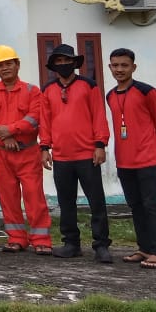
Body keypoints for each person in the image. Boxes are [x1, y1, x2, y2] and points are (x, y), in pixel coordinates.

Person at [40, 44, 113, 263]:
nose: (62, 65)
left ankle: (101, 245)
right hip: (61, 156)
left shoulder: (89, 86)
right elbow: (45, 121)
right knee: (66, 203)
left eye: (66, 61)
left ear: (74, 62)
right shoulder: (48, 89)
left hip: (87, 154)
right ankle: (71, 243)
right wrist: (44, 148)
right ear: (53, 65)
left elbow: (99, 115)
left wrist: (100, 144)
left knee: (96, 202)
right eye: (58, 62)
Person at [0, 45, 52, 255]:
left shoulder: (32, 91)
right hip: (0, 152)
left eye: (8, 64)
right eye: (0, 65)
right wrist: (5, 136)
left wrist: (10, 130)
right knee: (7, 197)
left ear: (17, 65)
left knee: (33, 196)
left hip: (27, 152)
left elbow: (34, 118)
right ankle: (16, 238)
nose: (4, 68)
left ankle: (41, 239)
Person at [106, 47, 156, 270]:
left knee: (152, 206)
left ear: (134, 67)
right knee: (135, 206)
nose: (119, 69)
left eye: (124, 65)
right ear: (109, 68)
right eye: (115, 65)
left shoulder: (146, 91)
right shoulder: (111, 95)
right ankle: (143, 248)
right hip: (124, 160)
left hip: (147, 159)